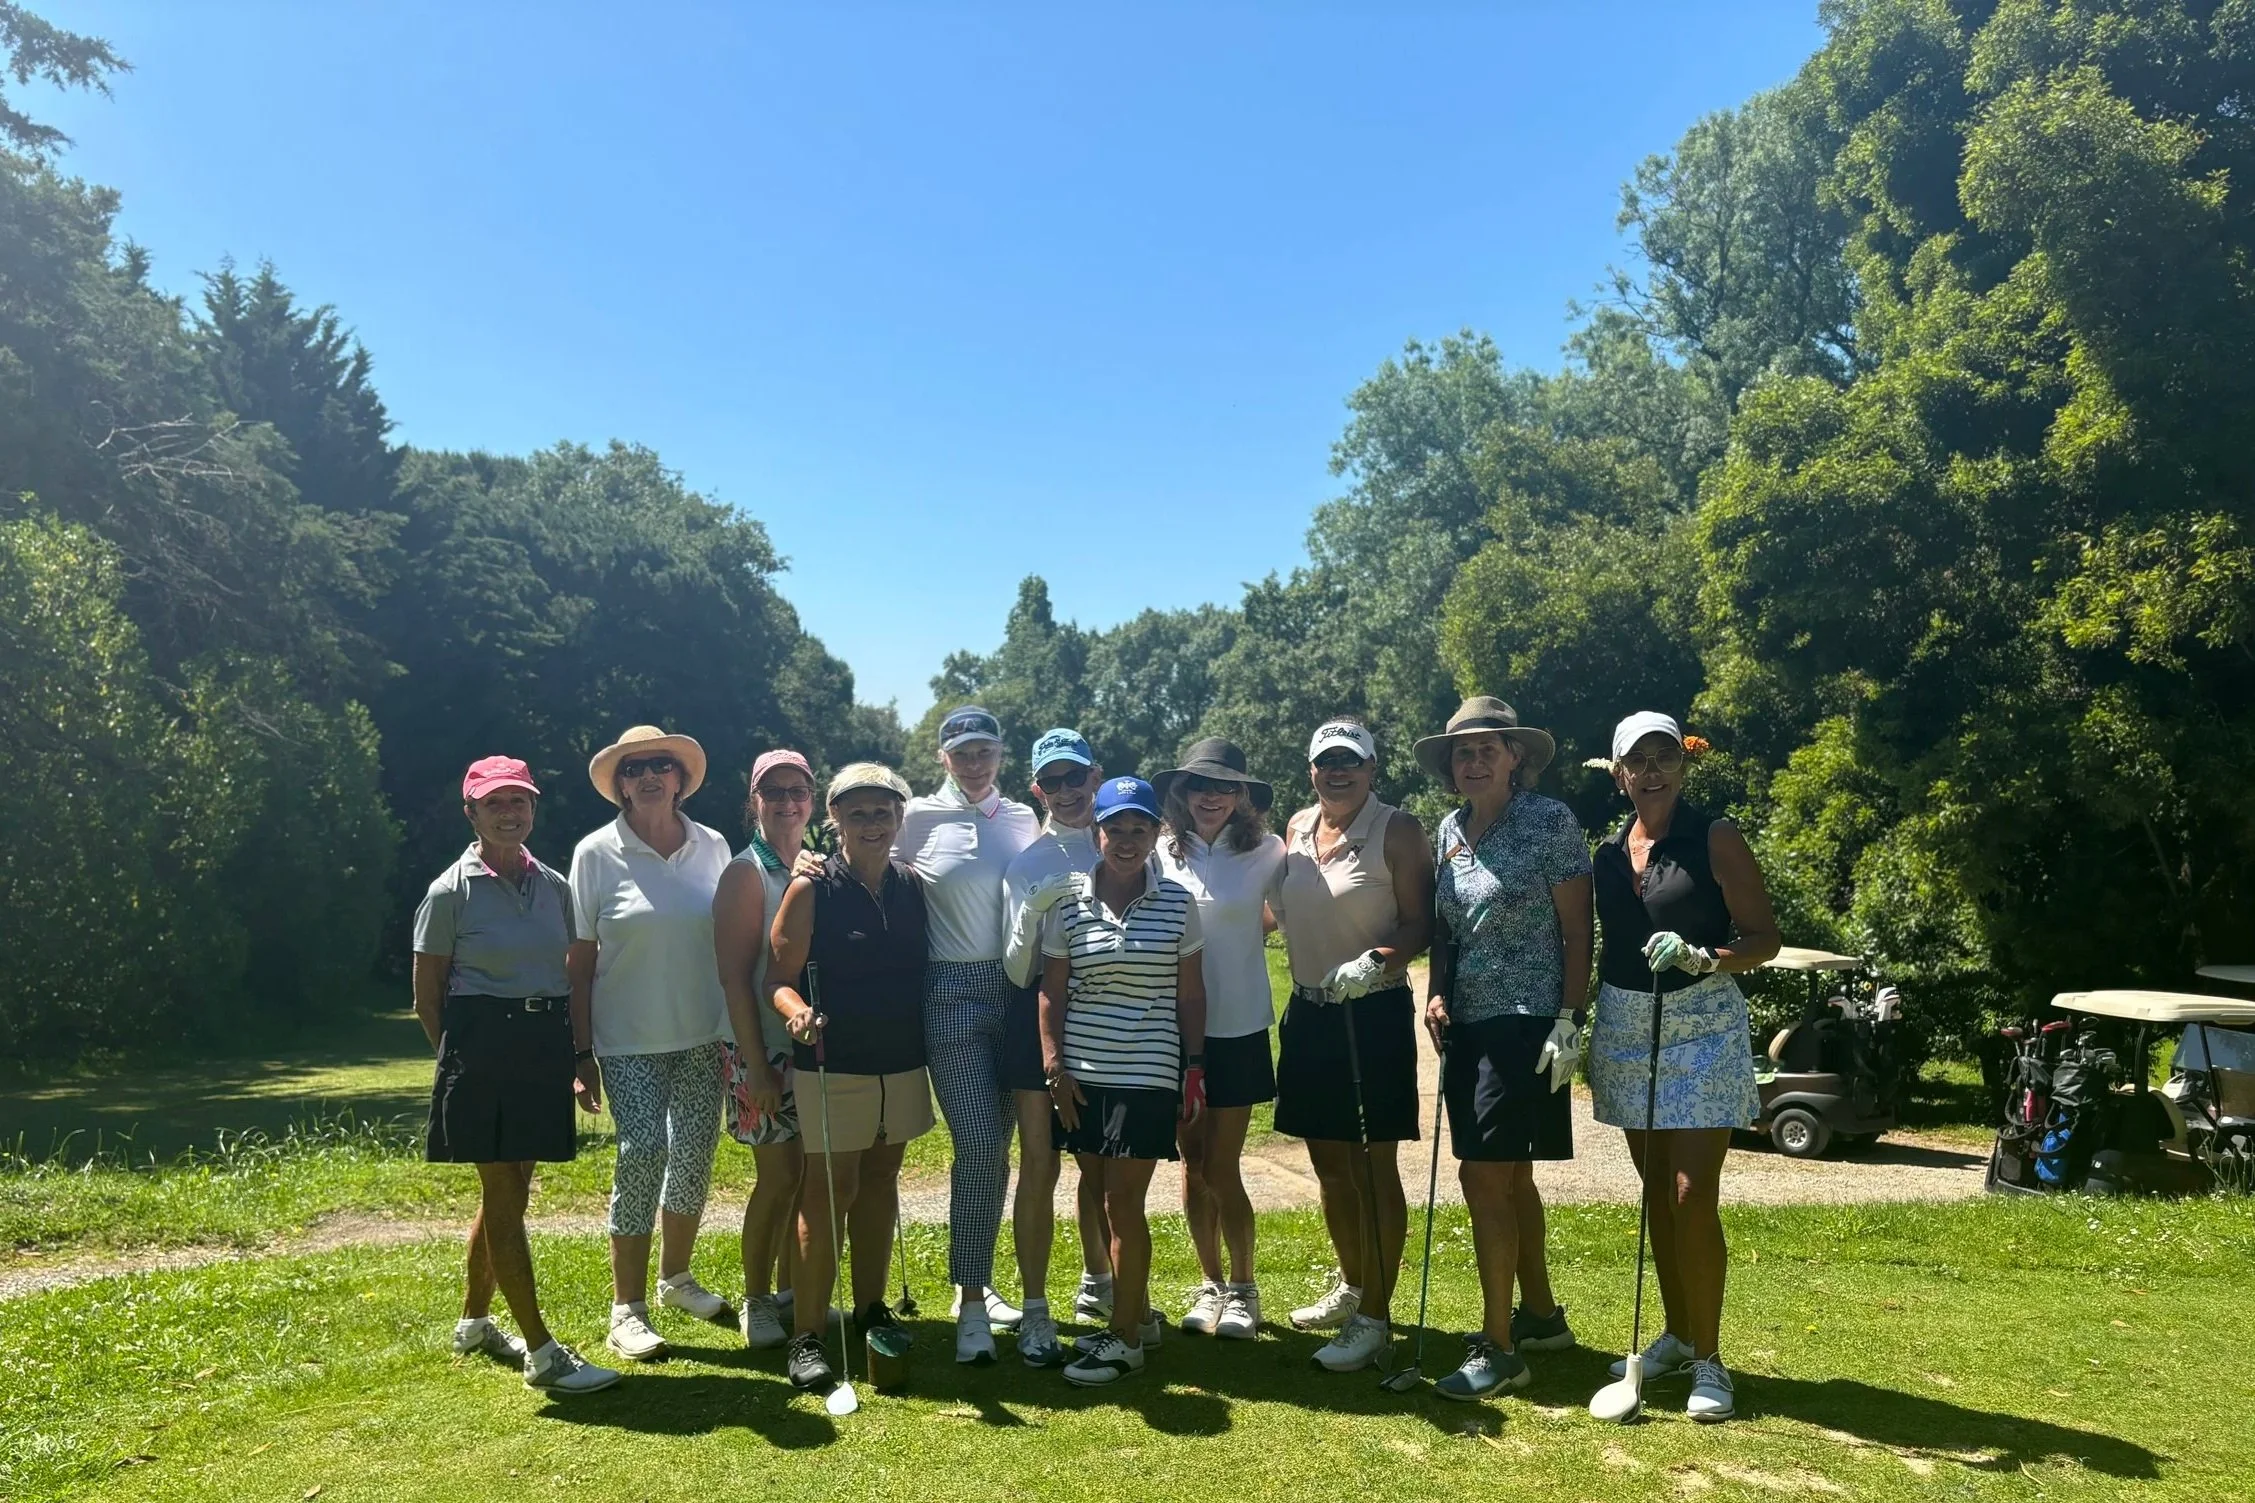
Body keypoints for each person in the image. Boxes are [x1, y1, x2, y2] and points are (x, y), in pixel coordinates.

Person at [1589, 711, 1781, 1423]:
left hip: (1701, 1025)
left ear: (1682, 763)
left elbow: (1763, 938)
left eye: (1663, 756)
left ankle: (1710, 1359)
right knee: (1656, 1194)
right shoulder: (1610, 850)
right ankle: (1673, 1332)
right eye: (1636, 761)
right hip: (1627, 1030)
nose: (1651, 771)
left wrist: (1705, 956)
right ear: (1618, 775)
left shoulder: (1713, 835)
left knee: (1688, 1191)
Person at [412, 756, 620, 1395]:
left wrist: (577, 1058)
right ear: (471, 812)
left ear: (532, 810)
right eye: (495, 803)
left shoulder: (554, 886)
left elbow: (570, 973)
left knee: (511, 1190)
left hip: (541, 1041)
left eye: (520, 802)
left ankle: (474, 1322)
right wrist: (461, 1061)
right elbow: (428, 994)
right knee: (503, 1192)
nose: (510, 813)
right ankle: (541, 1351)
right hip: (481, 1046)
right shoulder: (450, 892)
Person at [1414, 698, 1592, 1400]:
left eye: (1489, 747)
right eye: (1463, 750)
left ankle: (1498, 1346)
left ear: (1515, 756)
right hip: (1469, 1024)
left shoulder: (1548, 821)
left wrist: (1570, 1019)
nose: (1475, 759)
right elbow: (1445, 929)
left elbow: (1579, 929)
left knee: (1482, 1177)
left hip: (1527, 1022)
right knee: (1509, 1177)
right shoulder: (1448, 829)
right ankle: (1541, 1318)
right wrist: (1435, 990)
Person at [1268, 716, 1434, 1374]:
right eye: (1325, 762)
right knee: (1330, 1168)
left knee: (1371, 1167)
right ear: (1311, 769)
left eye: (1350, 761)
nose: (1337, 772)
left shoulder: (1398, 828)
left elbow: (1421, 920)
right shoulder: (1296, 827)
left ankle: (1376, 1319)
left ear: (1371, 767)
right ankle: (1355, 1284)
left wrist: (1378, 960)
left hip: (1370, 1010)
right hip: (1309, 1012)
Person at [567, 725, 736, 1363]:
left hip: (702, 1031)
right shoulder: (595, 853)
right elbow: (579, 960)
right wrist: (580, 1054)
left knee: (694, 1152)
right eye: (634, 769)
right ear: (619, 784)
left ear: (680, 777)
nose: (649, 777)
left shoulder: (712, 845)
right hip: (627, 1039)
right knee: (643, 1151)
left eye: (661, 765)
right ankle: (626, 1310)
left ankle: (676, 1278)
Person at [767, 761, 936, 1392]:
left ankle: (869, 1307)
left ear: (899, 818)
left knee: (881, 1180)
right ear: (834, 818)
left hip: (902, 1060)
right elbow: (775, 980)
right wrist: (797, 1014)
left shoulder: (913, 884)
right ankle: (809, 1333)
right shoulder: (812, 887)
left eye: (884, 811)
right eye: (858, 812)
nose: (873, 822)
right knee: (826, 1192)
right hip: (831, 1062)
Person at [1039, 776, 1208, 1386]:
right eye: (1116, 828)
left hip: (1148, 1071)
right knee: (1099, 1188)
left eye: (1140, 828)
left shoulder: (1178, 903)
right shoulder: (1069, 901)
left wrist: (1194, 1068)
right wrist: (1053, 1062)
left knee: (1122, 1203)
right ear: (1097, 832)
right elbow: (1051, 993)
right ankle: (1137, 1316)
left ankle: (1125, 1339)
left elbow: (1191, 995)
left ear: (1156, 834)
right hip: (1082, 1073)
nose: (1127, 840)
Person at [892, 705, 1042, 1363]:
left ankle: (973, 1282)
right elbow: (870, 870)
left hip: (1014, 992)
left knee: (999, 1149)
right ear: (942, 755)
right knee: (980, 1143)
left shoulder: (1019, 817)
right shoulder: (915, 816)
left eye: (985, 750)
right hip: (947, 993)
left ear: (999, 754)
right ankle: (973, 1301)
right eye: (962, 751)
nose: (975, 761)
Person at [1153, 736, 1284, 1340]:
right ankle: (1209, 1285)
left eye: (1224, 787)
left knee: (1223, 1166)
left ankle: (1243, 1288)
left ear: (1241, 796)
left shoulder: (1268, 851)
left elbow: (1293, 906)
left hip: (1239, 1027)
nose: (1211, 797)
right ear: (1181, 793)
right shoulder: (1157, 853)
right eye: (1200, 786)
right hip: (1175, 1030)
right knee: (1191, 1162)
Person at [998, 727, 1119, 1366]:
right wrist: (1033, 910)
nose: (1067, 791)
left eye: (1077, 777)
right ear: (1036, 788)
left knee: (1101, 1163)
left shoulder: (1126, 842)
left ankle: (1100, 1285)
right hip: (1036, 1020)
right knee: (1041, 1165)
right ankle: (1036, 1310)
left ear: (1094, 775)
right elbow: (1017, 971)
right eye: (1054, 781)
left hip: (1109, 1022)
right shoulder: (1029, 863)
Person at [712, 748, 818, 1351]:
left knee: (806, 1179)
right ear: (754, 800)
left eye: (796, 791)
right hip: (762, 1051)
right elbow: (734, 978)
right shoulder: (744, 873)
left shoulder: (810, 864)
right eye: (772, 792)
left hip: (808, 1047)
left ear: (811, 798)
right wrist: (755, 1067)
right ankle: (757, 1301)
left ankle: (787, 1292)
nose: (786, 802)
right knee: (777, 1179)